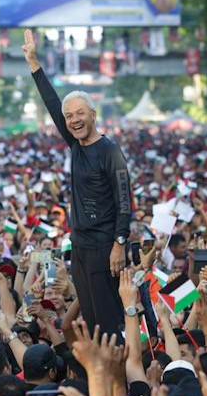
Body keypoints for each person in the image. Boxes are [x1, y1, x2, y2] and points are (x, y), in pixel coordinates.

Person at [22, 28, 130, 338]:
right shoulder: (75, 144)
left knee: (109, 323)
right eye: (69, 116)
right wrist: (34, 63)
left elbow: (124, 199)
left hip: (104, 246)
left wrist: (119, 243)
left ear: (93, 115)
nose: (73, 120)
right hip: (80, 244)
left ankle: (117, 379)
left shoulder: (109, 151)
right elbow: (53, 104)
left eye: (80, 113)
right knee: (91, 320)